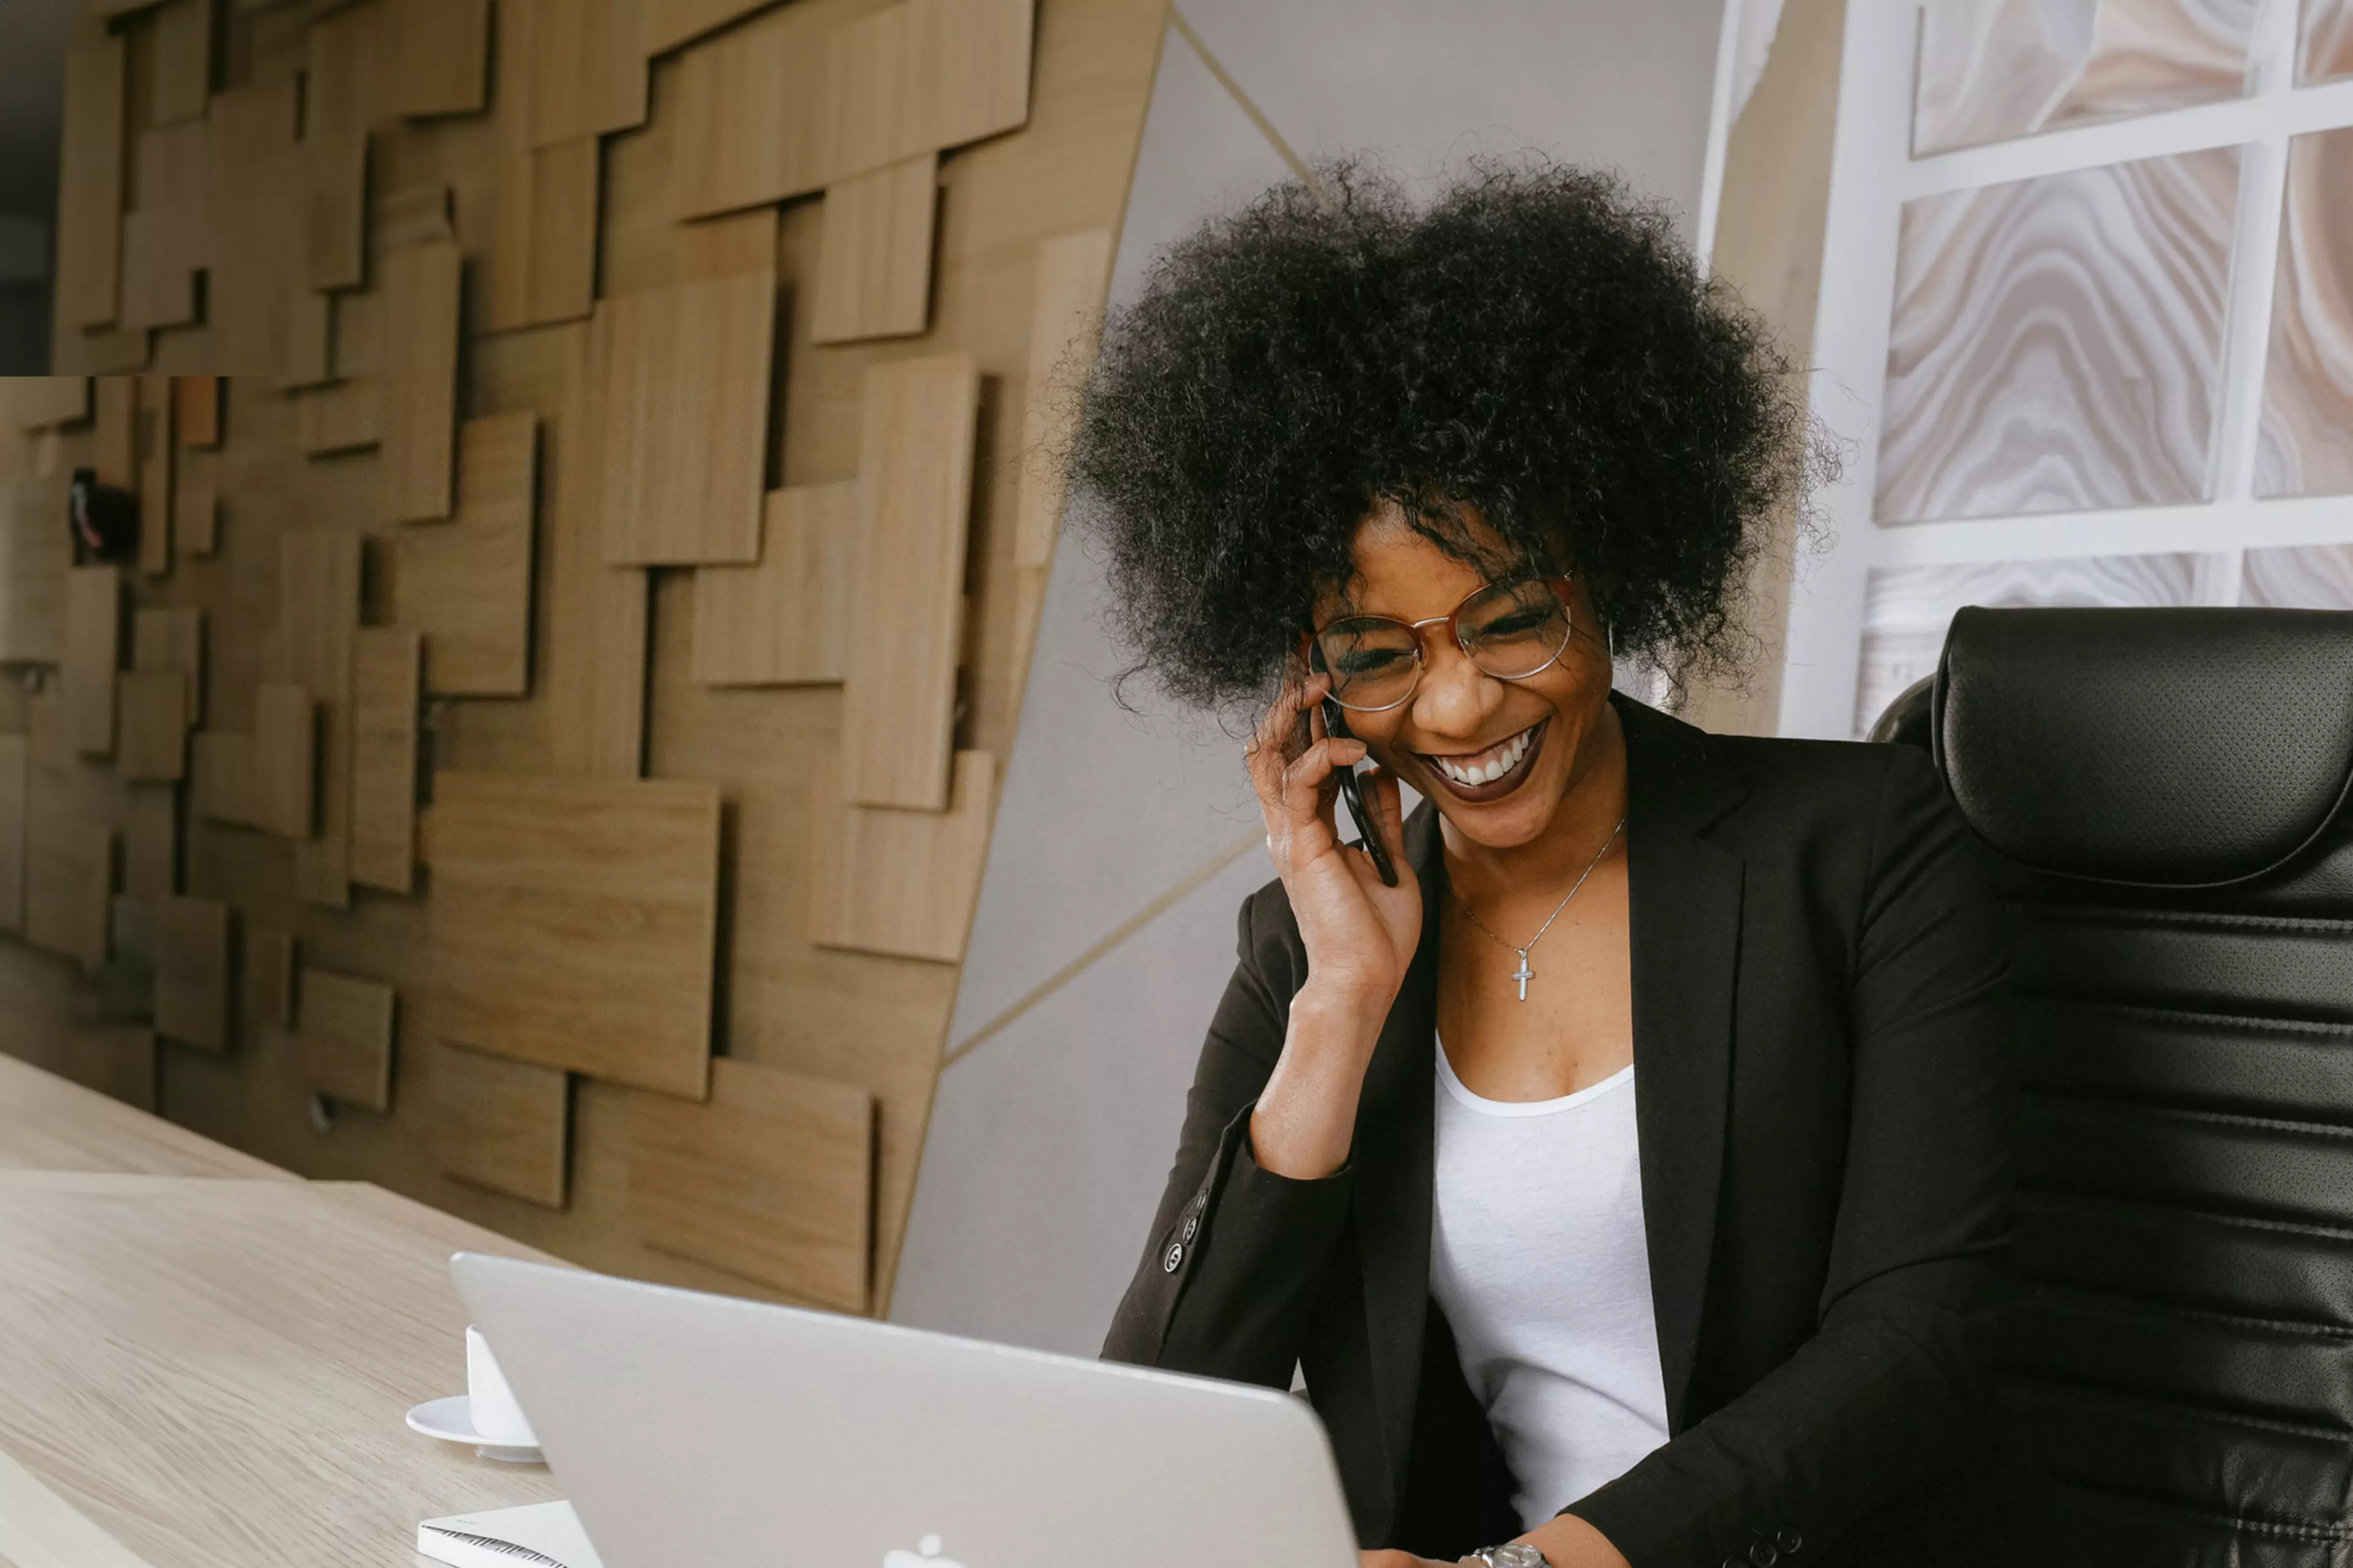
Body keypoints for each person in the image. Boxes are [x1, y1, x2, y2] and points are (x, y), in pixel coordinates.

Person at [1079, 162, 2046, 1567]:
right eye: (1379, 652)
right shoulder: (1305, 950)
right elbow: (1160, 1420)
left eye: (1512, 617)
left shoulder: (1862, 846)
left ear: (1612, 568)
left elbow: (1920, 1342)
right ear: (1309, 676)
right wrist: (1343, 1007)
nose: (1460, 707)